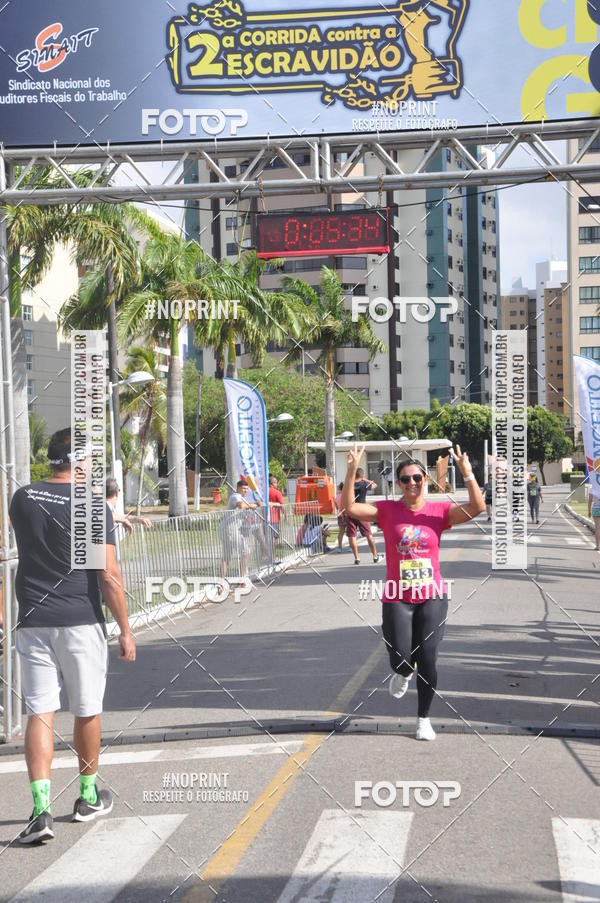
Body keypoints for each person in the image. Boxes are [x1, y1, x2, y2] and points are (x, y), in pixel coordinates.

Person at [9, 428, 136, 844]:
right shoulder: (92, 507)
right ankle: (87, 797)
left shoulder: (23, 498)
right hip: (80, 619)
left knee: (40, 713)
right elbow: (108, 576)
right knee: (86, 710)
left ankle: (40, 812)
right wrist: (125, 629)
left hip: (34, 620)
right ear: (80, 462)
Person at [342, 444, 485, 742]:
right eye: (405, 479)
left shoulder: (439, 512)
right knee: (402, 660)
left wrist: (468, 474)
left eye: (417, 478)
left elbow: (477, 508)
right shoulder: (387, 510)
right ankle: (403, 671)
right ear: (398, 483)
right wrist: (352, 470)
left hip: (433, 595)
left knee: (428, 658)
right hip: (397, 596)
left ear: (425, 480)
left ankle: (423, 719)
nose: (412, 483)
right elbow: (350, 509)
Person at [220, 480, 257, 580]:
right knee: (246, 552)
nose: (245, 490)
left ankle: (221, 581)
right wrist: (251, 506)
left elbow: (247, 509)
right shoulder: (235, 496)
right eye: (243, 488)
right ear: (238, 488)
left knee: (227, 556)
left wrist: (254, 505)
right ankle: (242, 579)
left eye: (247, 489)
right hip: (230, 529)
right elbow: (241, 505)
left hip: (228, 529)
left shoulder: (241, 498)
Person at [346, 467, 381, 565]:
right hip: (362, 511)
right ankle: (375, 556)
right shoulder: (364, 484)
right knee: (368, 534)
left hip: (351, 511)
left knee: (352, 536)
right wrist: (364, 479)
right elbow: (375, 485)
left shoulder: (349, 485)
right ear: (362, 475)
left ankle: (357, 558)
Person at [268, 475, 285, 560]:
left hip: (264, 518)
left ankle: (265, 556)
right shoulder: (277, 492)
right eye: (276, 483)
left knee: (267, 538)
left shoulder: (264, 492)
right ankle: (273, 557)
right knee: (274, 538)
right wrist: (286, 516)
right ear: (273, 483)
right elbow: (282, 505)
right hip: (274, 519)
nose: (277, 484)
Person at [335, 482, 346, 553]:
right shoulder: (346, 495)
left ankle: (340, 547)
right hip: (347, 515)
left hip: (339, 514)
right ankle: (351, 547)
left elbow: (337, 507)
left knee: (341, 532)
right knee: (350, 532)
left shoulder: (337, 496)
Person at [588, 487, 600, 552]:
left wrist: (589, 511)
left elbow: (590, 501)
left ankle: (597, 546)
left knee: (597, 528)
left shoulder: (592, 488)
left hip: (596, 509)